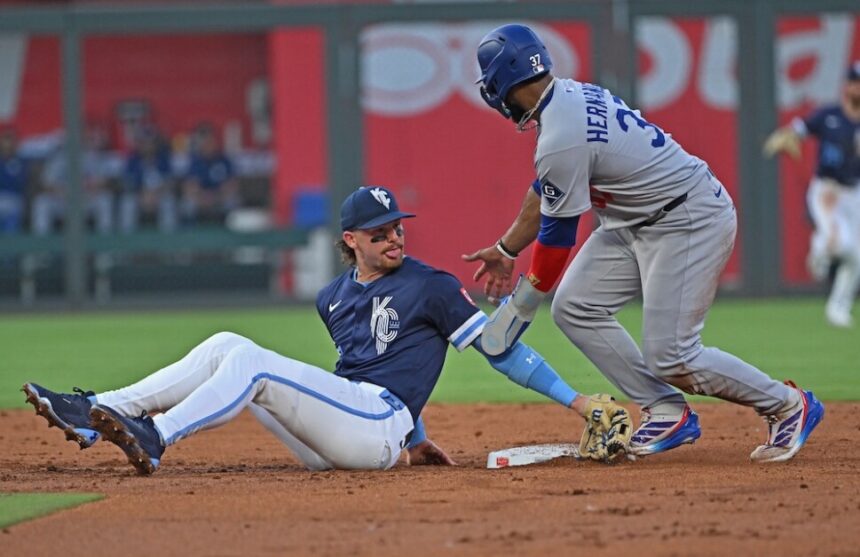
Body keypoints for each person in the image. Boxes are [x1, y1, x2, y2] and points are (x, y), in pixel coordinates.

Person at [23, 185, 630, 475]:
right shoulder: (331, 296)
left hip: (378, 425)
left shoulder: (432, 284)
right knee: (227, 345)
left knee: (251, 361)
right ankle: (95, 411)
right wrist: (421, 442)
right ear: (351, 241)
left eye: (398, 226)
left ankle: (154, 436)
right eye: (380, 231)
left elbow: (501, 354)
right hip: (345, 434)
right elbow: (362, 370)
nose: (395, 236)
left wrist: (577, 402)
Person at [463, 23, 823, 463]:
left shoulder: (560, 135)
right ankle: (666, 409)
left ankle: (788, 406)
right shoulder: (567, 97)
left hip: (688, 218)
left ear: (501, 84)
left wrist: (520, 308)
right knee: (575, 306)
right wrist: (505, 250)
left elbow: (557, 241)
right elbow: (545, 193)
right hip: (635, 220)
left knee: (671, 354)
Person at [764, 61, 860, 328]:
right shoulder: (829, 115)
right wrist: (785, 138)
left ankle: (838, 308)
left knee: (856, 258)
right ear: (847, 85)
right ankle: (820, 251)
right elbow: (796, 131)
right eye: (855, 82)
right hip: (827, 189)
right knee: (841, 245)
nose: (858, 87)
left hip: (854, 192)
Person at [31, 125, 114, 235]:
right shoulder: (58, 158)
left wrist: (92, 186)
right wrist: (59, 191)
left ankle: (105, 247)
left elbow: (103, 180)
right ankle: (40, 249)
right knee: (42, 202)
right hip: (62, 201)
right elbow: (46, 183)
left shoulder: (91, 156)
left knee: (105, 199)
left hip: (86, 200)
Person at [118, 126, 178, 233]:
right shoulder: (133, 160)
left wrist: (157, 193)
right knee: (128, 202)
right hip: (139, 196)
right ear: (139, 144)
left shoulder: (163, 158)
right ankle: (127, 245)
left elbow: (170, 181)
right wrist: (141, 194)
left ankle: (168, 246)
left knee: (168, 202)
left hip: (159, 195)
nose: (148, 145)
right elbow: (127, 182)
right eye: (144, 142)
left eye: (150, 142)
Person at [180, 123, 240, 225]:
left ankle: (228, 230)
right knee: (188, 204)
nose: (209, 145)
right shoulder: (195, 161)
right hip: (200, 197)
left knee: (232, 201)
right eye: (206, 142)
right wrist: (202, 196)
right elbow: (190, 186)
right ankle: (191, 231)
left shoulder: (223, 160)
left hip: (220, 196)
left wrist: (216, 196)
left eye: (211, 141)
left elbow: (232, 184)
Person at [0, 127, 28, 234]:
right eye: (5, 140)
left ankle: (9, 250)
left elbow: (19, 183)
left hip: (14, 199)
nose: (8, 144)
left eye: (11, 140)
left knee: (12, 213)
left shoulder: (21, 162)